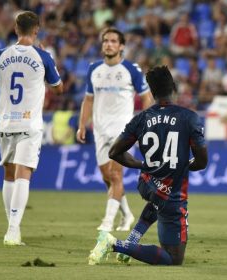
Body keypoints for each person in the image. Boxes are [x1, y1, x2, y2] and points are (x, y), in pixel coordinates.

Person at [0, 11, 63, 246]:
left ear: (16, 29)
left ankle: (11, 227)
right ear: (36, 30)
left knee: (8, 174)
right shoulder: (43, 56)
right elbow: (59, 89)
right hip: (30, 123)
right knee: (23, 174)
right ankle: (13, 231)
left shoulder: (0, 55)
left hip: (6, 122)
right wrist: (50, 63)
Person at [88, 65, 208, 265]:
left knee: (155, 199)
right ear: (173, 88)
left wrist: (142, 165)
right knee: (173, 258)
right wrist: (182, 166)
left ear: (151, 93)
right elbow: (202, 161)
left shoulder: (141, 119)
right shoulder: (190, 118)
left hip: (146, 184)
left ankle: (132, 240)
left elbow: (114, 152)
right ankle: (114, 244)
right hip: (172, 194)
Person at [76, 27, 153, 232]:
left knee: (116, 175)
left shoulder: (131, 70)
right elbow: (88, 100)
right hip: (100, 129)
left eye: (113, 41)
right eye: (105, 41)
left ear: (121, 46)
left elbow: (146, 97)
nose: (108, 44)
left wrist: (148, 123)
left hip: (123, 130)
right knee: (107, 177)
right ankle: (127, 215)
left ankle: (107, 222)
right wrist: (82, 124)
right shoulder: (94, 69)